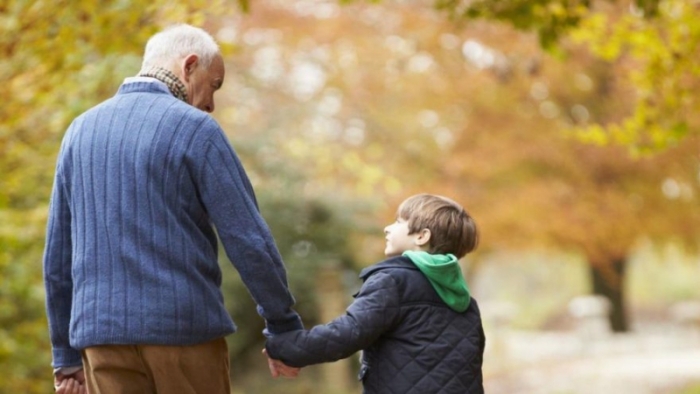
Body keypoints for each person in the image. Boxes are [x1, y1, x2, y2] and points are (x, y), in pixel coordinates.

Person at [43, 24, 303, 394]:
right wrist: (283, 325)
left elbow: (57, 259)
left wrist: (65, 358)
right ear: (190, 65)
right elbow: (248, 239)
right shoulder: (197, 130)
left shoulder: (79, 132)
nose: (212, 103)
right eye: (214, 85)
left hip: (101, 342)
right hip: (184, 334)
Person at [265, 193, 486, 393]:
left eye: (399, 222)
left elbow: (347, 334)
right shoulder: (465, 301)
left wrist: (282, 345)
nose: (387, 228)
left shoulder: (393, 281)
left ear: (422, 236)